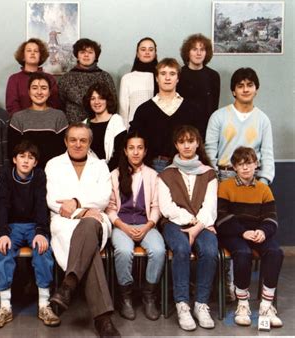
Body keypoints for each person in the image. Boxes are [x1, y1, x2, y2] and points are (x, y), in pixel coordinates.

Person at [46, 123, 120, 338]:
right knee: (90, 249)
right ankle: (103, 319)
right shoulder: (53, 165)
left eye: (83, 140)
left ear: (89, 143)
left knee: (89, 226)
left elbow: (103, 197)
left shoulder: (100, 166)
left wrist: (77, 202)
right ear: (65, 142)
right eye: (73, 140)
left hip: (95, 220)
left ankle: (68, 284)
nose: (78, 144)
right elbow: (54, 200)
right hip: (64, 222)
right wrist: (82, 211)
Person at [0, 140, 59, 329]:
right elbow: (1, 205)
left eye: (31, 157)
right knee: (3, 250)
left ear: (35, 162)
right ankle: (4, 306)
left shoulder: (39, 176)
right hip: (12, 226)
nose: (26, 161)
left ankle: (44, 304)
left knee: (43, 251)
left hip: (34, 225)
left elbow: (41, 205)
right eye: (22, 156)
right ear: (14, 159)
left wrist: (41, 232)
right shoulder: (5, 175)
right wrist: (2, 233)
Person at [158, 125, 218, 331]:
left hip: (202, 224)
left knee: (210, 250)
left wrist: (196, 226)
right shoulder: (166, 174)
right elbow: (166, 208)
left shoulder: (209, 173)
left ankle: (201, 304)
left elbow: (210, 206)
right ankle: (182, 304)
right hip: (174, 224)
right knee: (181, 249)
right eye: (182, 141)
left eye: (191, 141)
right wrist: (190, 220)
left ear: (197, 143)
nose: (187, 145)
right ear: (176, 145)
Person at [216, 146, 283, 328]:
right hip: (234, 233)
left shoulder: (264, 189)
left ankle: (266, 306)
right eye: (241, 164)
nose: (245, 168)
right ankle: (243, 303)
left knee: (275, 252)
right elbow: (221, 218)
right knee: (243, 253)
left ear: (256, 165)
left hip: (256, 233)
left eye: (249, 164)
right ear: (234, 167)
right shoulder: (225, 187)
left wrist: (263, 231)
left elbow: (271, 218)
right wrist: (242, 232)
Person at [105, 131, 165, 321]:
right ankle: (126, 296)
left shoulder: (153, 175)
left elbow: (156, 206)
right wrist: (122, 226)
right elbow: (110, 207)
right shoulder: (115, 175)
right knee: (123, 251)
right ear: (125, 150)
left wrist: (148, 226)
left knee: (158, 250)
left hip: (145, 224)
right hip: (122, 225)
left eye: (140, 148)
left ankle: (149, 295)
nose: (136, 152)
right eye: (131, 148)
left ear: (145, 151)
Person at [129, 58, 204, 173]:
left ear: (178, 78)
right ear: (157, 78)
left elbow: (199, 141)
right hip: (153, 166)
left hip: (185, 165)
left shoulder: (192, 109)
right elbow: (135, 142)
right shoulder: (144, 110)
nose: (167, 78)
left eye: (172, 74)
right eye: (163, 73)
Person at [205, 67, 274, 184]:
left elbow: (267, 154)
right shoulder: (218, 116)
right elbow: (209, 152)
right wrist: (214, 180)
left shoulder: (263, 120)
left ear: (256, 89)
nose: (245, 90)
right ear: (233, 91)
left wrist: (263, 182)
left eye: (250, 85)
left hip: (254, 177)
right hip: (224, 175)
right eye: (240, 86)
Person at [8, 72, 68, 169]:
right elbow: (13, 152)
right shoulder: (18, 118)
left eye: (44, 88)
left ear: (49, 93)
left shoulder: (59, 116)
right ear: (29, 92)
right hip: (26, 174)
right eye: (34, 88)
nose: (39, 92)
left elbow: (63, 152)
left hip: (53, 172)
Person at [59, 38, 118, 123]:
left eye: (90, 52)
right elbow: (60, 104)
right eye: (82, 52)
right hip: (74, 126)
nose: (86, 55)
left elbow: (113, 104)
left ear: (95, 56)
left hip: (102, 125)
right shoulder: (66, 78)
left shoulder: (105, 77)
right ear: (77, 56)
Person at [177, 33, 220, 137]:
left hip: (206, 130)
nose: (198, 53)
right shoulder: (179, 74)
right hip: (182, 131)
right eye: (194, 49)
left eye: (202, 50)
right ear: (188, 52)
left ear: (207, 53)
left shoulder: (213, 76)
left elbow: (214, 108)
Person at [6, 38, 60, 114]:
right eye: (29, 51)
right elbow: (12, 106)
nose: (32, 53)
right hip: (20, 123)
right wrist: (22, 121)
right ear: (23, 56)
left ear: (40, 56)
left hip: (47, 122)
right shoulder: (14, 79)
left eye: (36, 51)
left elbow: (54, 104)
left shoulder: (50, 78)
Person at [83, 82, 127, 171]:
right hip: (89, 173)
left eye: (101, 98)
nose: (96, 102)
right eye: (93, 98)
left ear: (107, 100)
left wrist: (105, 172)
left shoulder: (116, 121)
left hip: (111, 172)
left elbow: (120, 153)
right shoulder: (84, 124)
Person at [119, 37, 159, 127]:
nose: (147, 52)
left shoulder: (161, 77)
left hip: (157, 127)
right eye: (143, 49)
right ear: (137, 53)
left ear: (155, 54)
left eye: (151, 49)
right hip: (135, 130)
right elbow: (124, 112)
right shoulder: (127, 78)